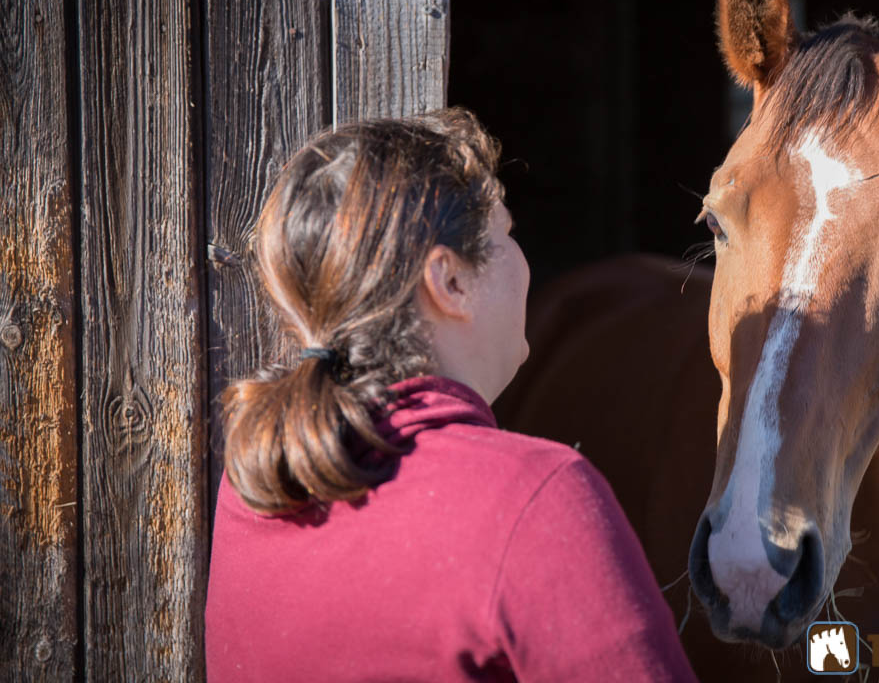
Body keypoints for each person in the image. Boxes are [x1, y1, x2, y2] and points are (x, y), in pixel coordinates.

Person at [204, 109, 698, 682]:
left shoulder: (256, 490)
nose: (521, 258)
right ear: (451, 282)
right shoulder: (538, 497)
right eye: (506, 234)